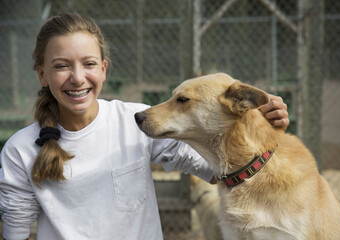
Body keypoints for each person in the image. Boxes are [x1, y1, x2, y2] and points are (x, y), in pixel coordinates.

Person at [0, 13, 289, 240]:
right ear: (42, 75)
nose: (77, 78)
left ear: (103, 69)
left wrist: (261, 127)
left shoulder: (137, 121)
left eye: (88, 63)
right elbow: (16, 233)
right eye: (62, 66)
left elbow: (223, 171)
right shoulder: (21, 150)